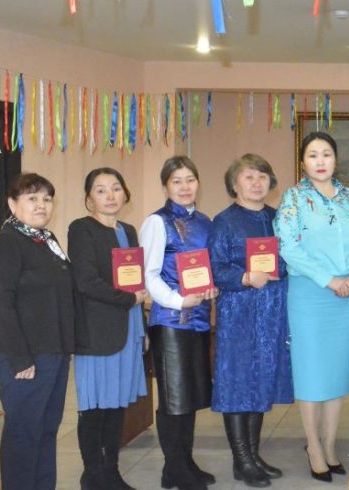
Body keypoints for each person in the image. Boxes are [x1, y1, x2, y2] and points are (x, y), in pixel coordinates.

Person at [276, 132, 349, 482]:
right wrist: (329, 279)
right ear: (303, 162)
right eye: (313, 155)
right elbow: (288, 246)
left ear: (336, 159)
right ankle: (313, 446)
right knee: (311, 371)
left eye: (327, 154)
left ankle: (331, 445)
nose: (320, 161)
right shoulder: (294, 198)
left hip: (348, 295)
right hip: (311, 294)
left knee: (337, 371)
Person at [208, 154, 294, 488]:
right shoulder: (224, 221)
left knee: (261, 382)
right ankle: (241, 459)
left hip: (272, 315)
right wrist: (245, 277)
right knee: (237, 384)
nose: (257, 183)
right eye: (248, 177)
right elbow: (215, 268)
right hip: (239, 314)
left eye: (262, 176)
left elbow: (290, 259)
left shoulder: (278, 218)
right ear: (234, 184)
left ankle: (253, 456)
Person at [0, 173, 74, 490]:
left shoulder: (47, 240)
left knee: (46, 430)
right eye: (32, 198)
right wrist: (20, 359)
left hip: (54, 352)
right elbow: (0, 304)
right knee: (24, 434)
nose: (41, 205)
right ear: (12, 204)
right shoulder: (6, 243)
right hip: (24, 357)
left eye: (46, 199)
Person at [68, 168, 149, 490]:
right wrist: (128, 300)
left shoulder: (128, 230)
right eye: (100, 190)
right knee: (94, 408)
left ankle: (111, 472)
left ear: (125, 193)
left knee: (116, 405)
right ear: (89, 199)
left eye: (116, 188)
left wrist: (142, 329)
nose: (110, 195)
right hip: (97, 333)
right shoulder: (81, 229)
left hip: (128, 330)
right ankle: (92, 475)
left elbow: (136, 282)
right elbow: (86, 281)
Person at [140, 156, 218, 490]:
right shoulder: (157, 222)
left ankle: (182, 464)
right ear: (165, 187)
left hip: (198, 321)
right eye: (177, 181)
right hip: (170, 321)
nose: (185, 187)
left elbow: (207, 269)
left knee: (189, 398)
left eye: (190, 180)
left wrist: (211, 288)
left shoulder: (205, 221)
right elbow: (149, 274)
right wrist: (177, 300)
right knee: (173, 399)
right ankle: (175, 467)